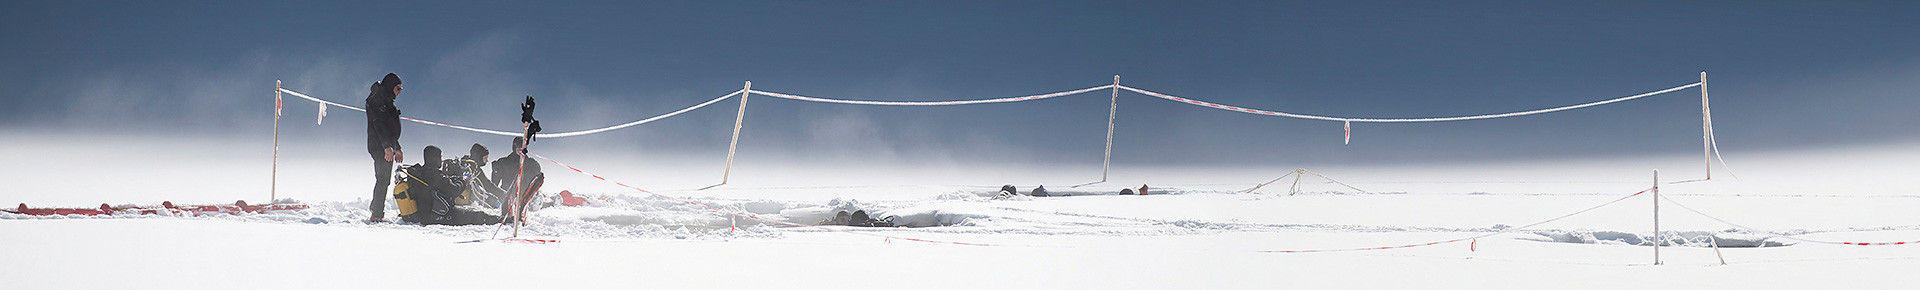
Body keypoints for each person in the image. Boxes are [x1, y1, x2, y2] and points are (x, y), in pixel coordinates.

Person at [393, 145, 501, 226]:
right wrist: (464, 180)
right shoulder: (434, 175)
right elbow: (454, 190)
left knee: (470, 212)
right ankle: (500, 220)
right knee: (478, 215)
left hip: (425, 213)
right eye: (440, 157)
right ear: (434, 158)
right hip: (438, 216)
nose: (441, 160)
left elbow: (441, 184)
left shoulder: (420, 172)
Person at [365, 73, 403, 222]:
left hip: (386, 145)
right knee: (383, 179)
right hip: (379, 146)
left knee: (383, 179)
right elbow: (379, 125)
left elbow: (390, 128)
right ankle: (377, 214)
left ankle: (376, 209)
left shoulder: (387, 100)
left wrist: (397, 147)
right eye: (398, 88)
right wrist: (387, 147)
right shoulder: (378, 100)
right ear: (390, 87)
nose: (399, 92)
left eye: (401, 89)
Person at [492, 136, 545, 220]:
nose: (520, 151)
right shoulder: (504, 162)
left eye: (522, 148)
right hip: (507, 198)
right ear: (514, 147)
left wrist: (525, 161)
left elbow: (537, 172)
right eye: (518, 148)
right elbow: (494, 183)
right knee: (508, 219)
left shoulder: (531, 163)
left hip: (523, 198)